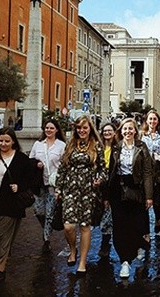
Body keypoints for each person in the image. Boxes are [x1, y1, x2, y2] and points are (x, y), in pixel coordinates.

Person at [0, 128, 33, 282]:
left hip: (9, 202)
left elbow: (30, 179)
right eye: (1, 140)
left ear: (13, 141)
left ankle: (1, 267)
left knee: (5, 236)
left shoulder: (21, 159)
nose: (3, 144)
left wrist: (20, 187)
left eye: (7, 141)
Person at [55, 115, 107, 276]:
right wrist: (58, 188)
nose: (82, 130)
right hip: (70, 189)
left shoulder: (97, 146)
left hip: (88, 191)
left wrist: (100, 179)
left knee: (85, 226)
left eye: (85, 128)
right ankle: (72, 249)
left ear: (90, 128)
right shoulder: (70, 145)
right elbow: (63, 168)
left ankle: (82, 262)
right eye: (79, 128)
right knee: (68, 226)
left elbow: (102, 169)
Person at [106, 118, 154, 279]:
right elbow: (110, 173)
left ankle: (139, 245)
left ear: (135, 131)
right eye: (125, 129)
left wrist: (149, 196)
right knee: (120, 226)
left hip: (137, 189)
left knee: (136, 224)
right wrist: (106, 196)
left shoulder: (141, 147)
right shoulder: (116, 147)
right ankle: (125, 261)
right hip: (118, 190)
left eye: (130, 129)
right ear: (121, 131)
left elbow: (147, 172)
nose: (127, 132)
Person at [28, 119, 66, 252]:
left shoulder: (61, 145)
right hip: (39, 183)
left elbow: (65, 164)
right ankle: (46, 228)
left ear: (56, 130)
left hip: (53, 184)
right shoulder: (38, 144)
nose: (48, 130)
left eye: (51, 128)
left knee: (50, 212)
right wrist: (36, 164)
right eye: (46, 128)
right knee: (38, 211)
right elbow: (30, 160)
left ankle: (46, 239)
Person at [141, 110, 160, 234]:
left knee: (157, 203)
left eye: (154, 119)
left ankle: (158, 218)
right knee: (143, 203)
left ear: (158, 121)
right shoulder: (141, 135)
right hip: (144, 171)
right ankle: (145, 231)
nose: (152, 121)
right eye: (150, 119)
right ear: (146, 121)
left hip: (158, 171)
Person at [98, 122, 118, 258]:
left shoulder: (118, 148)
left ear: (115, 133)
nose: (107, 133)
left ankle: (105, 244)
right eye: (105, 131)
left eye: (109, 131)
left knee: (107, 218)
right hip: (97, 185)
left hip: (111, 186)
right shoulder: (98, 148)